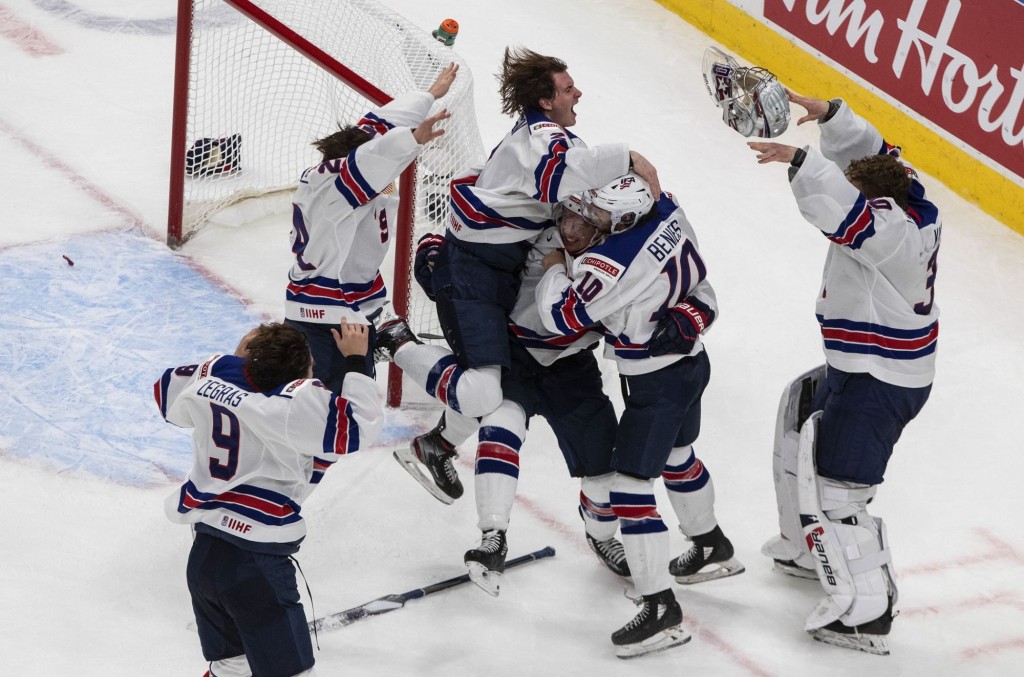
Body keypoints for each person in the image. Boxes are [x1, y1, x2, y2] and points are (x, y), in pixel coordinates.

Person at [378, 46, 660, 505]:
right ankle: (392, 338)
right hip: (473, 275)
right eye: (568, 88)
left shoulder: (540, 134)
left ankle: (436, 445)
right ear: (546, 101)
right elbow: (556, 176)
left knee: (499, 381)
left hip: (491, 273)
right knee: (483, 391)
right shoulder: (543, 138)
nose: (578, 93)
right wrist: (629, 157)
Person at [748, 90, 940, 656]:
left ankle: (867, 613)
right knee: (797, 416)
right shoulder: (910, 195)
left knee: (839, 494)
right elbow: (875, 152)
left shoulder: (891, 235)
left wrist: (799, 160)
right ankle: (808, 549)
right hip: (861, 364)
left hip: (883, 379)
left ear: (878, 201)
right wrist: (830, 115)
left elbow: (839, 207)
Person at [535, 173, 743, 658]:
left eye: (598, 217)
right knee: (679, 456)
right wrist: (697, 314)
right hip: (692, 364)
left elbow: (562, 316)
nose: (581, 224)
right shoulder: (669, 211)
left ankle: (660, 610)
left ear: (624, 216)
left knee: (630, 488)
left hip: (656, 382)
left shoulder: (612, 262)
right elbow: (702, 283)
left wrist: (552, 268)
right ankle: (711, 545)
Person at [156, 321, 383, 677]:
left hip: (203, 559)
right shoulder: (299, 411)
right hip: (255, 568)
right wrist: (357, 360)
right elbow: (360, 423)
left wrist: (236, 362)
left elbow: (165, 390)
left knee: (231, 667)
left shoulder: (215, 374)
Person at [284, 63, 457, 393]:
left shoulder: (346, 167)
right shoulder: (336, 189)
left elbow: (378, 125)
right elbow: (371, 158)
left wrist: (429, 95)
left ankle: (381, 327)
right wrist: (412, 139)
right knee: (328, 412)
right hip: (326, 318)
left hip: (352, 300)